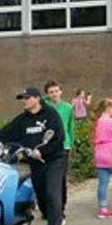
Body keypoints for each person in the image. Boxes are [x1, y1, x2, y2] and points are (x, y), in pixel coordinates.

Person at [0, 86, 67, 225]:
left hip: (54, 160)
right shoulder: (22, 120)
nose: (24, 101)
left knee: (52, 193)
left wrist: (42, 150)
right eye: (22, 98)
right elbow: (4, 134)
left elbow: (58, 138)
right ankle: (52, 217)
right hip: (35, 163)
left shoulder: (50, 115)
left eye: (27, 98)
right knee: (42, 196)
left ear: (37, 98)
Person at [44, 81, 75, 217]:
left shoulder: (68, 107)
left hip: (63, 145)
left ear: (61, 92)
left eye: (56, 91)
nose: (54, 94)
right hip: (47, 145)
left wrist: (71, 143)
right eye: (51, 92)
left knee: (60, 179)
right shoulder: (44, 106)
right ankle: (47, 208)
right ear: (47, 94)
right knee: (46, 178)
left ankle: (60, 208)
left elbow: (70, 127)